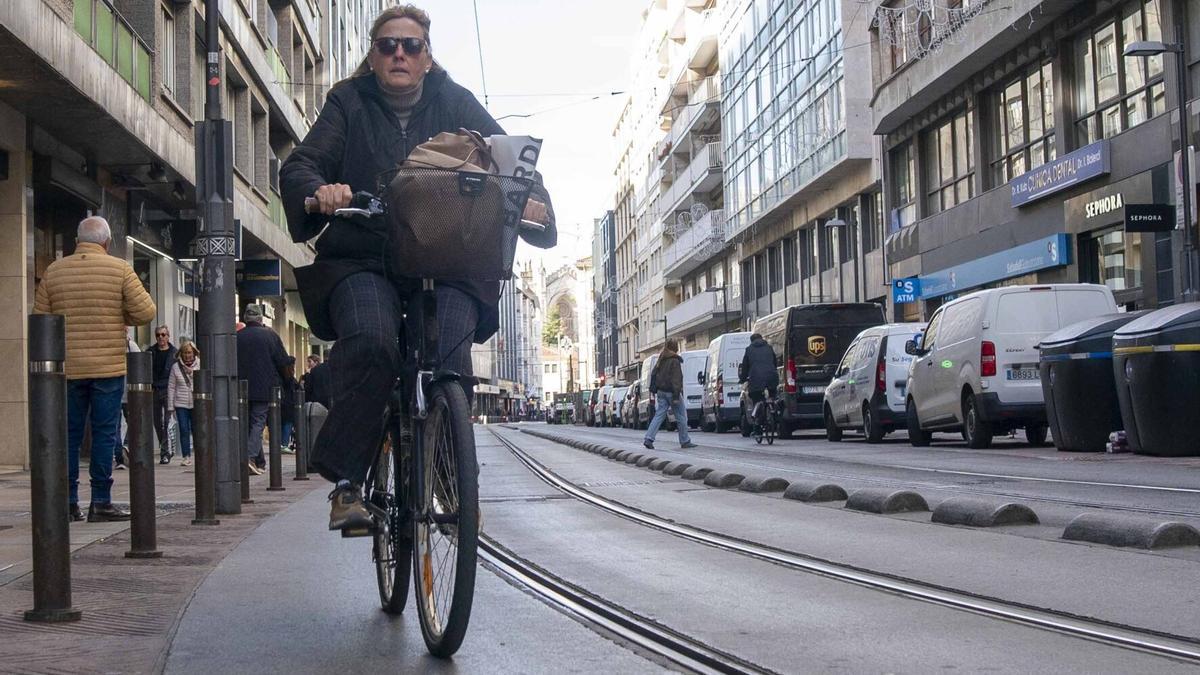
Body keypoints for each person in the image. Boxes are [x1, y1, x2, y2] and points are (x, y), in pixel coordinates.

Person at [279, 4, 556, 530]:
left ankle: (452, 482)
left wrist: (533, 207)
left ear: (427, 56)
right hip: (365, 254)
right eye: (388, 46)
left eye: (411, 46)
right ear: (374, 55)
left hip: (449, 258)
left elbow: (512, 161)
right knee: (372, 340)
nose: (399, 54)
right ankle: (347, 484)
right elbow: (303, 161)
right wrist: (320, 191)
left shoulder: (455, 101)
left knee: (449, 356)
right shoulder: (348, 102)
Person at [34, 216, 157, 522]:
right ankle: (100, 501)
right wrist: (121, 316)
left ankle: (68, 501)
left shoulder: (54, 271)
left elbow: (41, 319)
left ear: (78, 241)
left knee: (68, 435)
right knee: (105, 433)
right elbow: (146, 311)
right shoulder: (119, 270)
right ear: (107, 242)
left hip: (67, 369)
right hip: (107, 368)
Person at [236, 305, 291, 474]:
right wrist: (288, 383)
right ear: (260, 318)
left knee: (248, 424)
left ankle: (259, 461)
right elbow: (283, 361)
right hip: (264, 387)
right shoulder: (270, 336)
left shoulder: (237, 337)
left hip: (241, 387)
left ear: (246, 318)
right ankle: (251, 457)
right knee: (258, 422)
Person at [643, 339, 698, 451]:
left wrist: (655, 389)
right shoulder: (674, 360)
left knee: (659, 415)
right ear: (675, 348)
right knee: (681, 416)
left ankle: (648, 438)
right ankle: (685, 441)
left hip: (661, 392)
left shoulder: (661, 359)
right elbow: (676, 379)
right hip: (672, 392)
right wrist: (676, 395)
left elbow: (653, 374)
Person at [146, 325, 177, 464]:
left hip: (168, 390)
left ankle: (165, 452)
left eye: (163, 335)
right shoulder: (150, 352)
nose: (160, 338)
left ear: (168, 336)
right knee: (157, 422)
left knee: (167, 421)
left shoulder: (174, 353)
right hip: (154, 390)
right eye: (158, 335)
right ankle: (165, 447)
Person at [166, 342, 200, 467]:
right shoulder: (176, 367)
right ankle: (186, 456)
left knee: (196, 429)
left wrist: (192, 373)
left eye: (190, 352)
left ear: (194, 353)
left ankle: (199, 454)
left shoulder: (199, 364)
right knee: (184, 429)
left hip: (196, 403)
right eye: (185, 353)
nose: (187, 355)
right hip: (181, 403)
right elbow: (171, 387)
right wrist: (170, 407)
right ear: (181, 353)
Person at [739, 333, 779, 433]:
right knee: (772, 394)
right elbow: (775, 363)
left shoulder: (749, 350)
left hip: (756, 379)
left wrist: (743, 378)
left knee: (756, 398)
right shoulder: (769, 347)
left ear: (751, 341)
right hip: (771, 376)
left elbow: (745, 367)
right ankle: (774, 411)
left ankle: (757, 425)